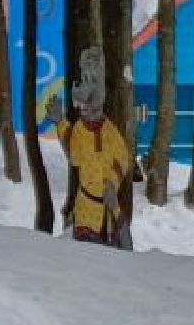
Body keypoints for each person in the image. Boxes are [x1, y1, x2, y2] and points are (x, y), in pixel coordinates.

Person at [57, 50, 141, 247]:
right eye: (84, 79)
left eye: (92, 80)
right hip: (86, 210)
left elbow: (122, 159)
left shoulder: (110, 131)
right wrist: (60, 123)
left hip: (109, 210)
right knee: (88, 256)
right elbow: (75, 156)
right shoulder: (78, 129)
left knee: (112, 253)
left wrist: (112, 183)